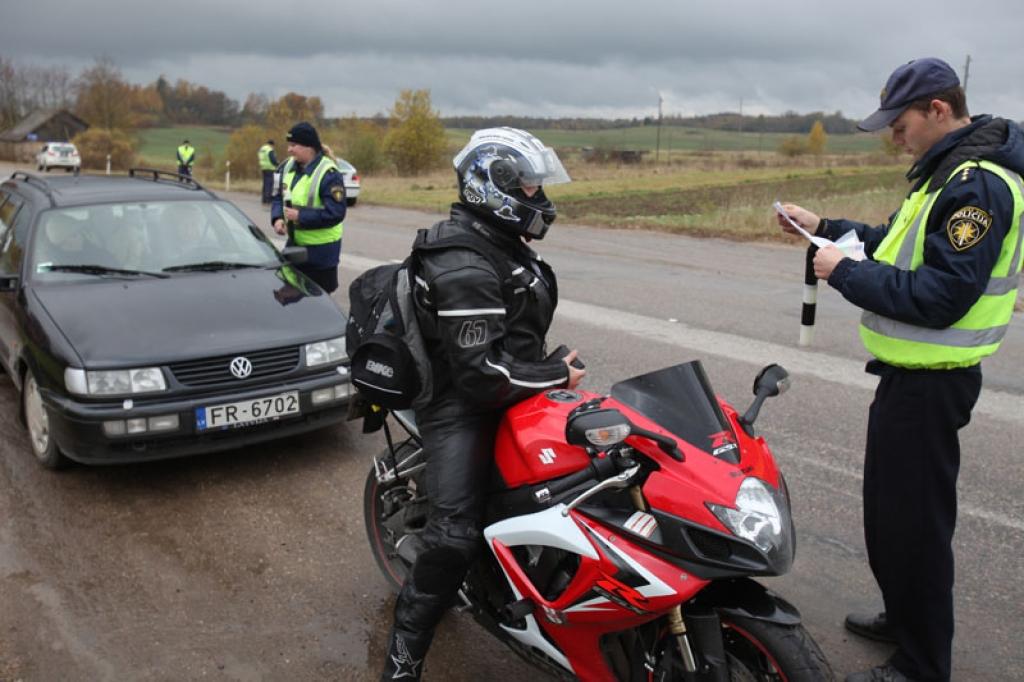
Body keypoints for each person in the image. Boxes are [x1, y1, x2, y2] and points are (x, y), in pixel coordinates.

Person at [777, 58, 1023, 682]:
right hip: (907, 374)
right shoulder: (944, 175)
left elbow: (942, 294)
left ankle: (920, 663)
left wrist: (846, 273)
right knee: (887, 515)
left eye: (900, 122)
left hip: (934, 381)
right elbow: (891, 243)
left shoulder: (979, 185)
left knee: (915, 526)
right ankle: (904, 612)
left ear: (939, 110)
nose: (894, 136)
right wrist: (826, 231)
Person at [379, 128, 586, 681]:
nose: (538, 197)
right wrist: (554, 372)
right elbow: (480, 378)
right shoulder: (462, 262)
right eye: (527, 184)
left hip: (511, 383)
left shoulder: (497, 240)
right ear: (490, 186)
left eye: (538, 185)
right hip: (459, 405)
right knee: (452, 538)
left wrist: (547, 370)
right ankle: (403, 661)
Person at [270, 122, 346, 293]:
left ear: (308, 147)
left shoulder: (329, 173)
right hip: (295, 246)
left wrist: (300, 216)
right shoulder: (285, 167)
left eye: (293, 145)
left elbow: (336, 213)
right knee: (290, 298)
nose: (289, 150)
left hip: (322, 253)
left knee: (318, 304)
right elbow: (276, 197)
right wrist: (277, 218)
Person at [258, 139, 278, 205]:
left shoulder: (262, 149)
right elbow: (272, 159)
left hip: (263, 168)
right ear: (272, 144)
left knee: (265, 184)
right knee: (269, 184)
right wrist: (277, 164)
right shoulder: (269, 150)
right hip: (270, 168)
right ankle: (268, 200)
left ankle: (264, 199)